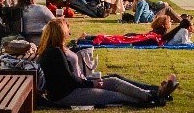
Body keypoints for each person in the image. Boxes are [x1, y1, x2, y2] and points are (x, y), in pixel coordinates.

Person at [37, 18, 178, 107]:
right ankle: (154, 98)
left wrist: (89, 81)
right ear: (60, 32)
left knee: (114, 81)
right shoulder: (54, 52)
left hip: (77, 86)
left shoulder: (57, 49)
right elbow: (68, 79)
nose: (69, 30)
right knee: (117, 97)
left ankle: (155, 93)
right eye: (66, 27)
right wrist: (91, 83)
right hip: (67, 94)